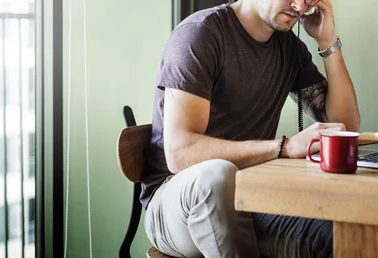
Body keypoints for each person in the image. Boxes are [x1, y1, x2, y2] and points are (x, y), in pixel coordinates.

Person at [141, 0, 360, 257]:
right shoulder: (200, 34)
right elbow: (181, 154)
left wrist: (327, 42)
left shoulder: (288, 46)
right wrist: (285, 147)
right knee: (215, 176)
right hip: (175, 203)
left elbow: (345, 127)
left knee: (340, 237)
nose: (300, 6)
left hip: (249, 195)